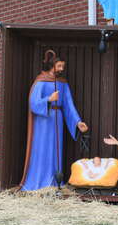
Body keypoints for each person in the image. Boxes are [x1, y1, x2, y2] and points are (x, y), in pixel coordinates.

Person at [20, 50, 88, 190]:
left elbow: (69, 105)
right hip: (43, 122)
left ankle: (54, 182)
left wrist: (77, 122)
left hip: (57, 120)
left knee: (56, 150)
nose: (62, 69)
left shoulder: (63, 83)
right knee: (42, 149)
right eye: (59, 66)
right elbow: (33, 103)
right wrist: (49, 100)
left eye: (63, 66)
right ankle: (39, 181)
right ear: (52, 66)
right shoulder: (41, 81)